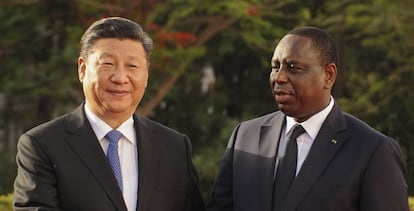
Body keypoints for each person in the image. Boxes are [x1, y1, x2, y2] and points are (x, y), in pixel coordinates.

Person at [207, 26, 408, 211]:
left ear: (328, 75)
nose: (279, 78)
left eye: (293, 68)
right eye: (275, 67)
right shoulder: (246, 137)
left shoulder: (371, 150)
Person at [13, 17, 205, 211]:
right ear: (82, 69)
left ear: (146, 75)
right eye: (107, 64)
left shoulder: (175, 147)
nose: (120, 78)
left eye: (132, 66)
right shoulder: (43, 144)